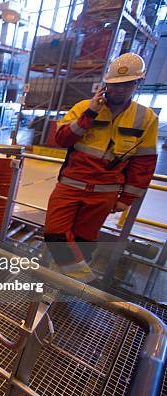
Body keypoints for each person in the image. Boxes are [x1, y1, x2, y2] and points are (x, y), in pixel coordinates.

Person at [44, 53, 158, 283]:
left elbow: (143, 164)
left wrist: (126, 199)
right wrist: (89, 115)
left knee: (84, 241)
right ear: (105, 84)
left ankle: (66, 284)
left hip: (105, 193)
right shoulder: (84, 108)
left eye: (127, 85)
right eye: (115, 85)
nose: (120, 90)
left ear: (137, 84)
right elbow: (61, 139)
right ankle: (84, 281)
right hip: (71, 185)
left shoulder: (146, 118)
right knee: (55, 234)